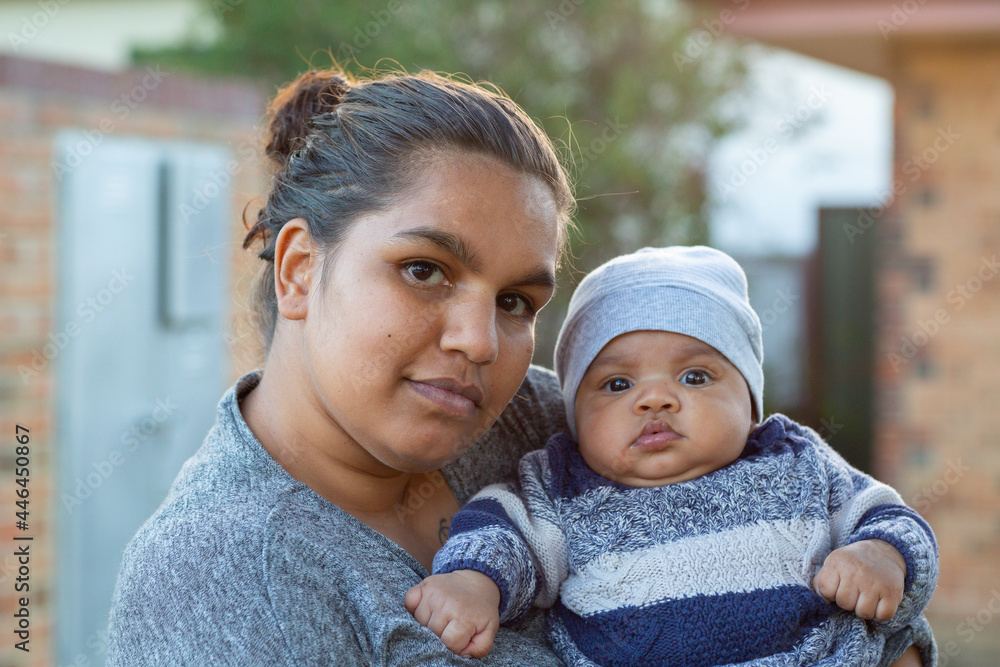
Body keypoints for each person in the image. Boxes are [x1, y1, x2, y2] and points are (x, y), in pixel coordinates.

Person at [106, 66, 579, 665]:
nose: (479, 342)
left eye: (515, 303)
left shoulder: (548, 429)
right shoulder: (224, 575)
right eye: (424, 270)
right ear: (299, 269)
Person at [407, 246, 939, 666]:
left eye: (695, 376)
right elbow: (502, 529)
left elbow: (887, 515)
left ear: (750, 401)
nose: (655, 398)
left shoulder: (792, 458)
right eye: (617, 383)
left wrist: (880, 555)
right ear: (574, 416)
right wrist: (473, 580)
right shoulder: (562, 482)